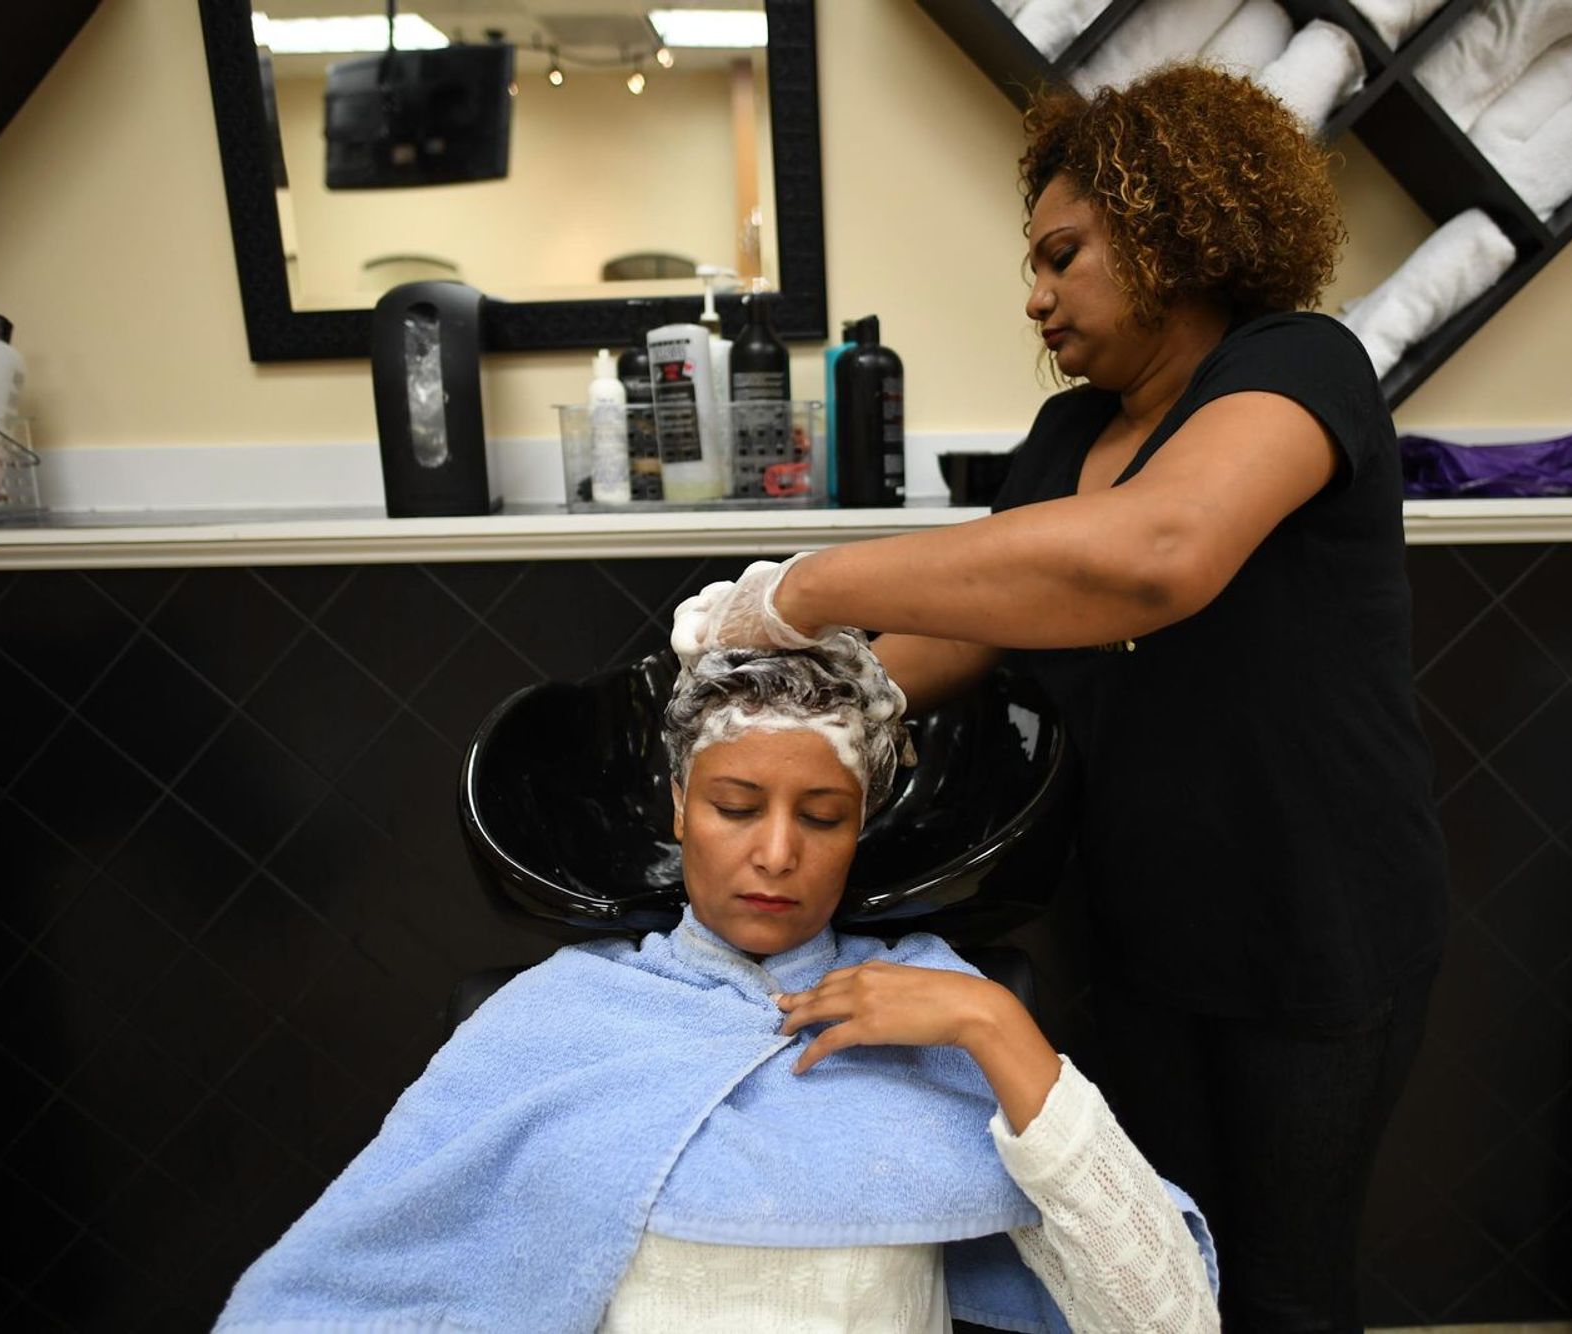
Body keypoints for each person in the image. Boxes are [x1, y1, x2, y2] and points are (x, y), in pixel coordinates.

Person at [672, 62, 1450, 1333]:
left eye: (1062, 255)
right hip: (1138, 924)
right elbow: (955, 634)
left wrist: (802, 587)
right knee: (1156, 1252)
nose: (1034, 296)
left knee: (1282, 1288)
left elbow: (1152, 556)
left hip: (1320, 924)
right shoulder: (1062, 439)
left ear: (1167, 231)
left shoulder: (1298, 366)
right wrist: (771, 704)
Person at [216, 632, 1218, 1334]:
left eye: (821, 817)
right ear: (677, 806)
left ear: (860, 828)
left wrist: (994, 1024)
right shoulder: (552, 1023)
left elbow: (1168, 1318)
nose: (776, 853)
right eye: (736, 806)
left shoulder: (938, 1007)